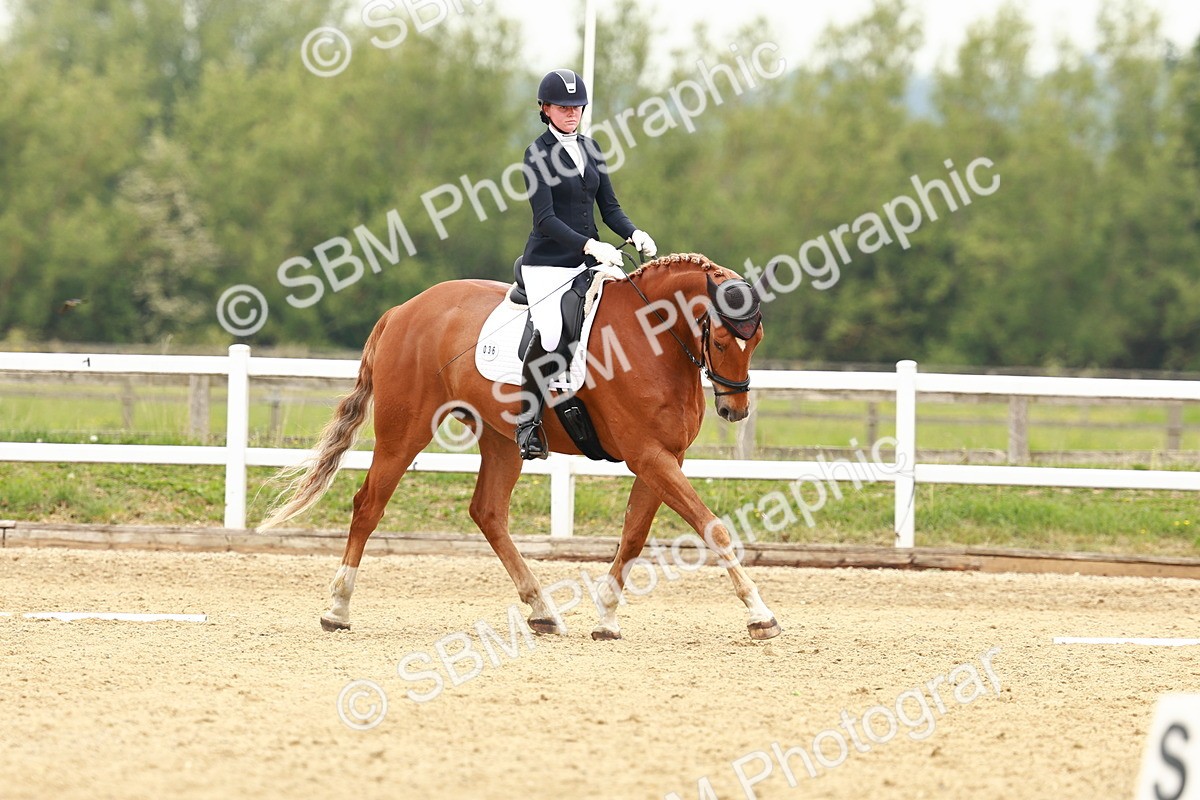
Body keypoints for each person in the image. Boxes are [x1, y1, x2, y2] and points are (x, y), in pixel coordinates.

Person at [514, 68, 657, 460]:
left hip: (589, 259)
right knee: (550, 332)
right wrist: (591, 246)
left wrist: (633, 233)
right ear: (545, 109)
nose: (571, 113)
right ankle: (527, 424)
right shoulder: (536, 154)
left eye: (577, 107)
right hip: (548, 263)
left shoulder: (592, 149)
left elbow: (609, 207)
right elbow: (545, 219)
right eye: (562, 108)